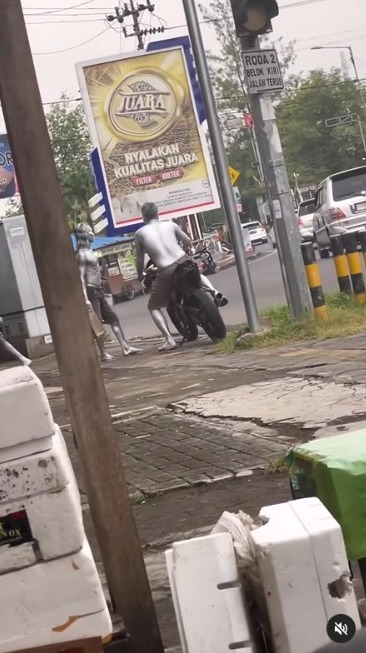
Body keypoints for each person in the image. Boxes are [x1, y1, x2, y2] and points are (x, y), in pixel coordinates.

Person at [135, 202, 228, 352]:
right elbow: (187, 241)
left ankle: (169, 340)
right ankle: (214, 291)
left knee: (153, 306)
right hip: (184, 261)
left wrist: (140, 274)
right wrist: (185, 251)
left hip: (166, 269)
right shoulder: (170, 225)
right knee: (197, 272)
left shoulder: (140, 233)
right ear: (158, 214)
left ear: (143, 217)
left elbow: (139, 259)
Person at [75, 223, 142, 361]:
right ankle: (103, 354)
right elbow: (80, 277)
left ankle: (125, 347)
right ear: (85, 235)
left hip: (99, 290)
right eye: (90, 231)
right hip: (90, 291)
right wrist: (85, 297)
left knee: (113, 319)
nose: (92, 233)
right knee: (97, 325)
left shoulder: (90, 252)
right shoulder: (81, 255)